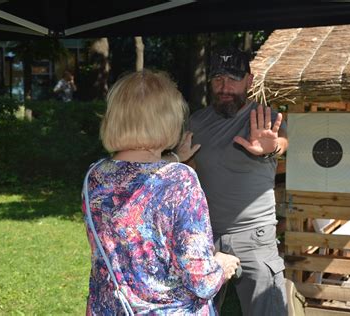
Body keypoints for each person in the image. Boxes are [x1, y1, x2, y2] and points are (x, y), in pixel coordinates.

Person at [82, 69, 240, 315]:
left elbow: (135, 172)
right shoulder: (180, 180)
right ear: (168, 119)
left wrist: (176, 157)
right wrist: (222, 264)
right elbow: (201, 280)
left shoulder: (95, 176)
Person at [178, 47, 289, 315]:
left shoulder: (264, 119)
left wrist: (272, 148)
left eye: (233, 79)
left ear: (249, 81)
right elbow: (188, 170)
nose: (224, 87)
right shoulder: (196, 121)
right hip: (206, 237)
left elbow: (283, 142)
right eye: (218, 79)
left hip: (255, 239)